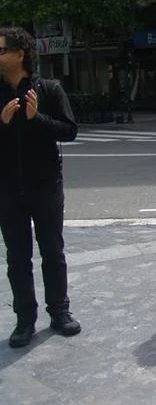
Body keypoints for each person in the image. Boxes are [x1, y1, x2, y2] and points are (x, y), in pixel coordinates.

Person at [0, 27, 80, 348]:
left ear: (20, 54)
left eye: (2, 50)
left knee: (52, 251)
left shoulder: (48, 89)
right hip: (8, 189)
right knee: (17, 257)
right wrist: (2, 123)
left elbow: (70, 130)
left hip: (45, 185)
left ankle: (59, 312)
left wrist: (37, 118)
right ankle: (25, 319)